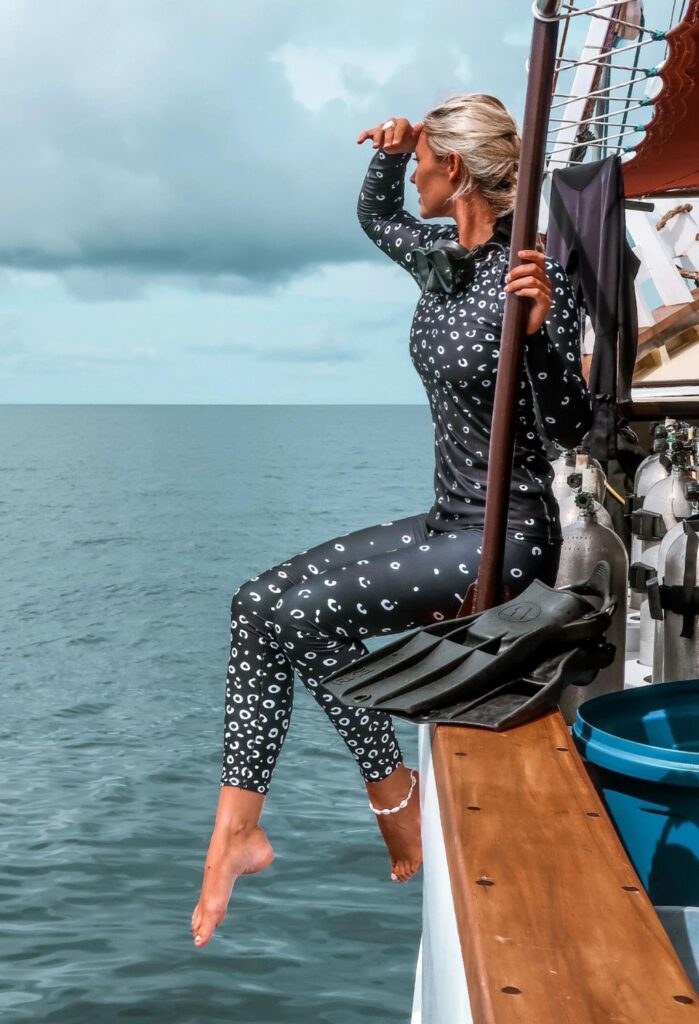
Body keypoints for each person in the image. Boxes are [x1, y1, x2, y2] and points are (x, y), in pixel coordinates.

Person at [191, 94, 592, 948]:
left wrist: (545, 333)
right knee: (258, 603)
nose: (412, 174)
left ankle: (348, 809)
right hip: (447, 519)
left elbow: (568, 429)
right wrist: (388, 149)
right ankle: (309, 816)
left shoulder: (524, 273)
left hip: (505, 537)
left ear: (454, 171)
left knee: (290, 615)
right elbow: (375, 212)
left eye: (420, 161)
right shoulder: (439, 252)